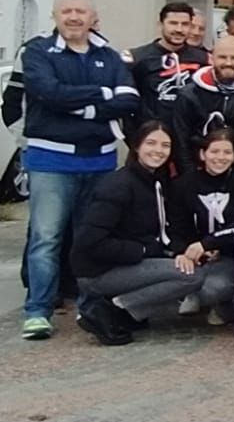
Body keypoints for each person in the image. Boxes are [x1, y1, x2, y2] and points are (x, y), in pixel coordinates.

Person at [20, 0, 141, 340]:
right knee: (46, 238)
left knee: (92, 239)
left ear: (93, 18)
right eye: (66, 11)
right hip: (50, 159)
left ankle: (90, 307)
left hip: (100, 159)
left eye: (80, 12)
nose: (73, 17)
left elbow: (128, 99)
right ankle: (37, 311)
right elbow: (48, 92)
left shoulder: (109, 54)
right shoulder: (38, 51)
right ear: (55, 17)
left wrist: (77, 105)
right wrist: (102, 96)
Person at [71, 121, 207, 345]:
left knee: (189, 265)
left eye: (165, 145)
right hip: (98, 271)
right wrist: (143, 250)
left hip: (131, 260)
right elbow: (90, 241)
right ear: (136, 146)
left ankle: (127, 313)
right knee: (191, 276)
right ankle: (108, 311)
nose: (158, 150)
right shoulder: (118, 185)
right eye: (151, 143)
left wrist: (179, 251)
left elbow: (163, 230)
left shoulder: (158, 181)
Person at [170, 127, 234, 326]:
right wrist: (184, 250)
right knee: (183, 277)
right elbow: (177, 225)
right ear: (203, 154)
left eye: (227, 152)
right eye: (214, 151)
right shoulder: (184, 184)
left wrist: (211, 243)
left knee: (214, 288)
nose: (220, 157)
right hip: (198, 253)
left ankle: (223, 304)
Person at [171, 35, 234, 174]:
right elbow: (181, 140)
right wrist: (189, 176)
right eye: (222, 57)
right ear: (212, 58)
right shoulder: (189, 94)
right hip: (196, 171)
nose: (228, 62)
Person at [126, 1, 209, 130]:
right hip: (150, 139)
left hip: (190, 139)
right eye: (173, 23)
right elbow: (127, 103)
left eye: (185, 24)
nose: (179, 29)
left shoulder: (204, 60)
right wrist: (135, 139)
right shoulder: (137, 58)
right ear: (160, 24)